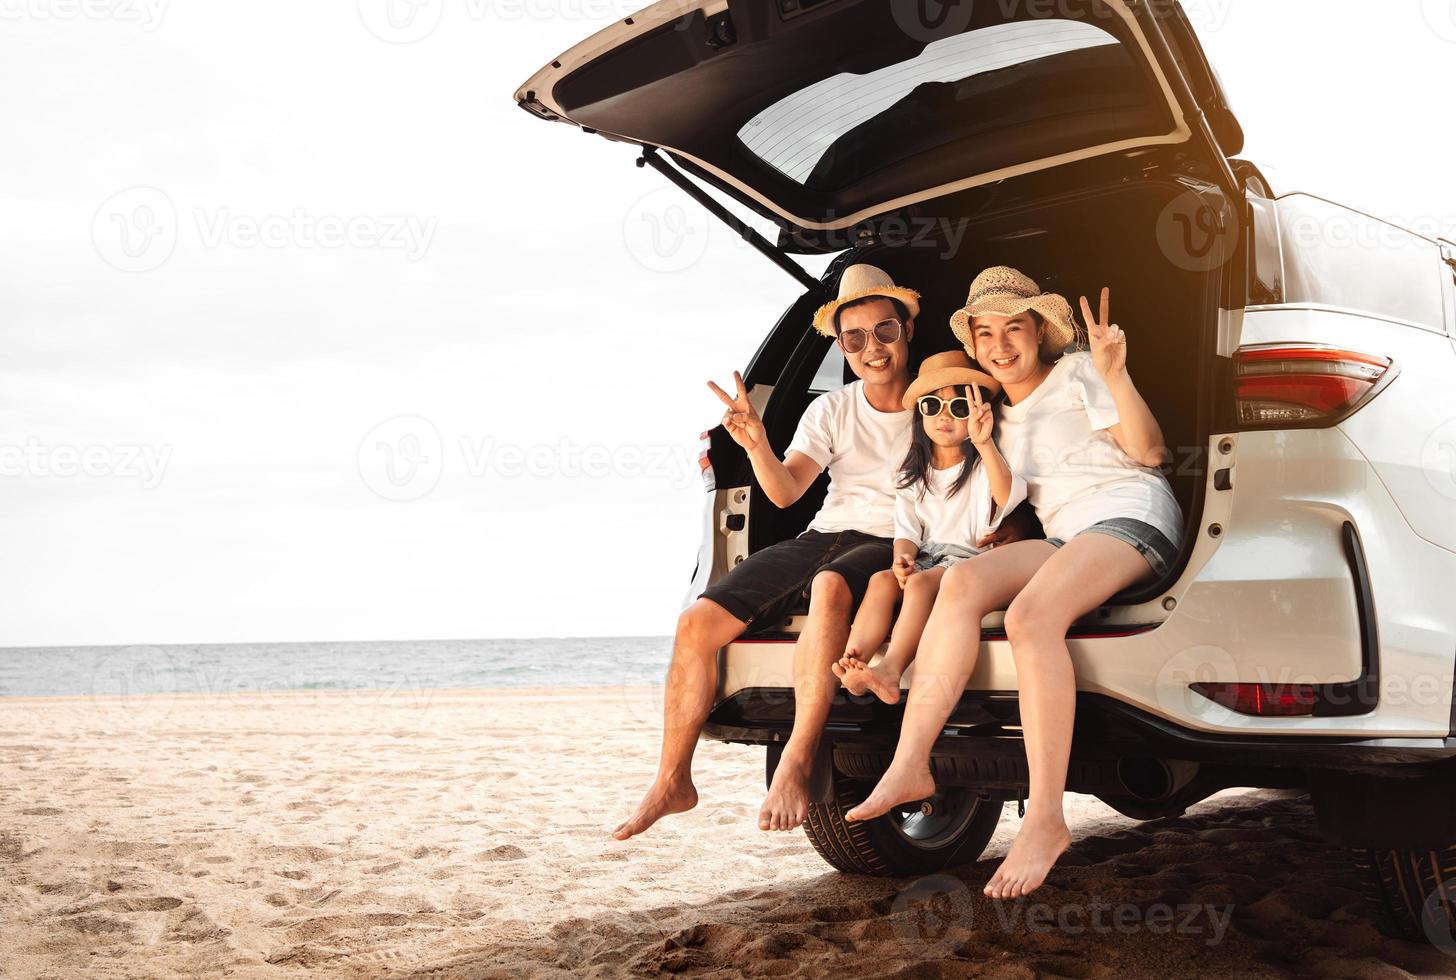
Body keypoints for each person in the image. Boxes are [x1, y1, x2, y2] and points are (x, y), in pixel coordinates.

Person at [842, 267, 1182, 902]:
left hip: (1131, 513)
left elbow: (1151, 452)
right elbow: (981, 490)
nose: (1001, 344)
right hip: (1062, 537)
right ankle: (913, 762)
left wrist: (1115, 372)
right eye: (986, 331)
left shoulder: (1079, 370)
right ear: (972, 343)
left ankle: (1047, 818)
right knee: (961, 583)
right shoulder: (988, 415)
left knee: (1029, 619)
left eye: (1014, 328)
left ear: (1039, 332)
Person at [612, 264, 922, 840]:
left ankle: (798, 759)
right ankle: (672, 780)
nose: (870, 349)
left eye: (883, 331)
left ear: (906, 329)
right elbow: (785, 491)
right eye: (853, 339)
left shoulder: (936, 401)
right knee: (695, 624)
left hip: (893, 538)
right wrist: (756, 443)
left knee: (831, 588)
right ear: (841, 347)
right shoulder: (832, 409)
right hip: (824, 534)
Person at [831, 351, 1026, 705]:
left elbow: (1008, 495)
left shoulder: (986, 465)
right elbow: (906, 530)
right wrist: (902, 559)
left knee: (919, 584)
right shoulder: (911, 474)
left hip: (971, 560)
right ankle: (854, 660)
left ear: (979, 413)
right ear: (920, 414)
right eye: (932, 406)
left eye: (959, 408)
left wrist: (984, 443)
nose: (944, 417)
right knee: (881, 581)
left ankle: (890, 671)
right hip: (928, 557)